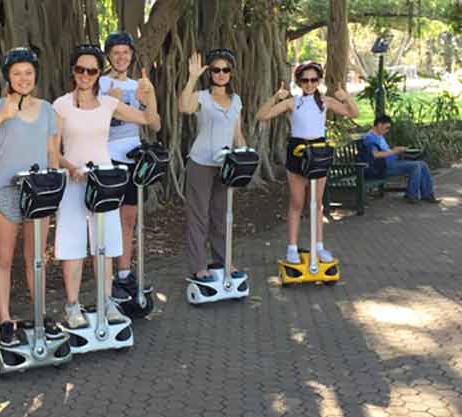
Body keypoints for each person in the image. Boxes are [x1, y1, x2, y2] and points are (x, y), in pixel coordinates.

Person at [0, 47, 63, 347]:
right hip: (4, 189)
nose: (23, 78)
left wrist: (55, 182)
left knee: (37, 258)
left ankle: (40, 312)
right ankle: (5, 319)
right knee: (3, 257)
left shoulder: (47, 110)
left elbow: (52, 152)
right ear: (8, 76)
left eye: (28, 73)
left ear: (35, 76)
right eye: (17, 73)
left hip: (38, 191)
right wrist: (3, 115)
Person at [53, 44, 159, 328]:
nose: (85, 75)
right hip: (75, 182)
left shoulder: (109, 104)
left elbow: (150, 121)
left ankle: (107, 301)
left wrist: (149, 96)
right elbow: (52, 149)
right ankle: (73, 306)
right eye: (80, 69)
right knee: (74, 247)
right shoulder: (61, 105)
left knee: (105, 246)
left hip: (105, 182)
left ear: (100, 73)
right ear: (73, 71)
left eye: (91, 70)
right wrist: (69, 167)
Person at [255, 61, 359, 265]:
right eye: (305, 80)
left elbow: (353, 114)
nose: (309, 84)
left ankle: (318, 246)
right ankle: (292, 248)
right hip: (298, 151)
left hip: (319, 152)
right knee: (297, 202)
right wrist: (276, 97)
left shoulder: (325, 101)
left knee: (317, 204)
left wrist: (346, 97)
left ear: (318, 81)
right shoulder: (293, 102)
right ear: (299, 82)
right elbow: (262, 115)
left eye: (313, 80)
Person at [98, 31, 162, 300]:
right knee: (105, 220)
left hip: (134, 159)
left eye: (126, 52)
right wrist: (108, 100)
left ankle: (124, 273)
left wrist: (149, 99)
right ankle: (106, 277)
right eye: (116, 52)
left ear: (132, 55)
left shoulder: (141, 84)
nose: (121, 57)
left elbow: (155, 125)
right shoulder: (98, 83)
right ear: (109, 56)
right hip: (106, 159)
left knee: (128, 219)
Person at [178, 49, 247, 282]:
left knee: (222, 216)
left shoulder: (236, 100)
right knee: (199, 217)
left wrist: (244, 156)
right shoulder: (202, 97)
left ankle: (224, 260)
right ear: (210, 73)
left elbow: (237, 134)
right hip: (201, 163)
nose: (220, 74)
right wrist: (192, 77)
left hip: (226, 166)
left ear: (231, 73)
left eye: (225, 70)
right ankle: (198, 267)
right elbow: (183, 107)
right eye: (216, 70)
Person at [361, 115, 440, 204]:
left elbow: (385, 151)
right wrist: (394, 151)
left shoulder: (379, 135)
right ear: (379, 125)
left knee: (423, 164)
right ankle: (412, 195)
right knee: (416, 166)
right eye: (387, 128)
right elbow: (375, 154)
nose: (388, 130)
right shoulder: (370, 138)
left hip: (391, 163)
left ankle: (427, 194)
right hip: (382, 168)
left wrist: (397, 150)